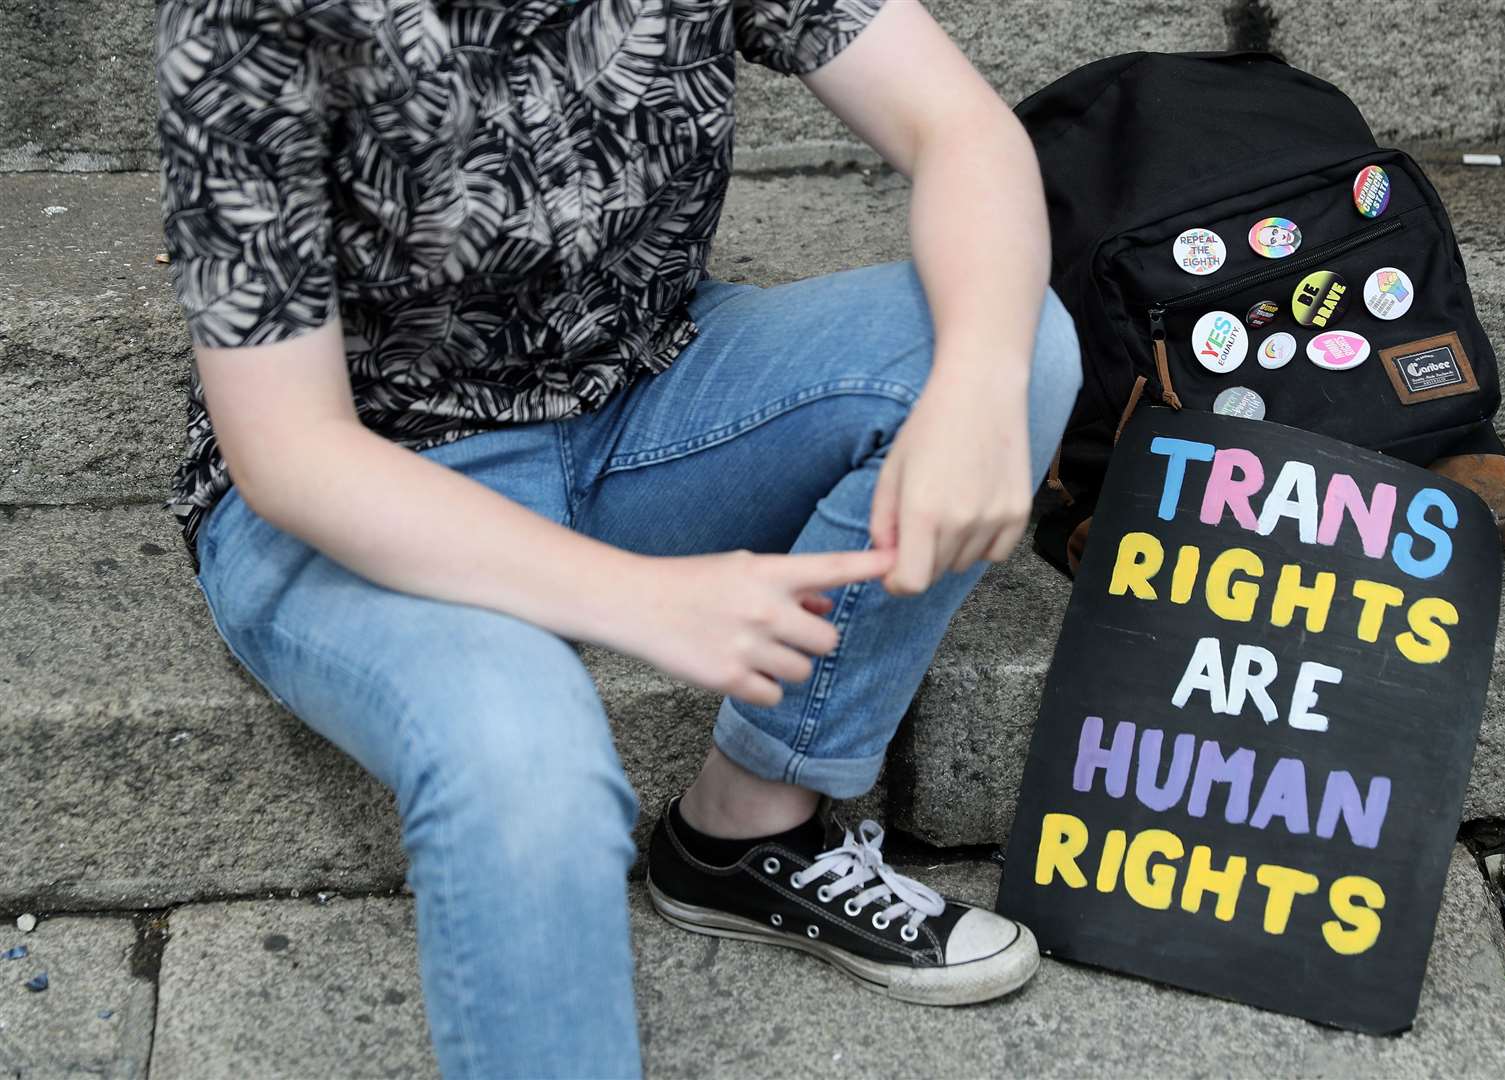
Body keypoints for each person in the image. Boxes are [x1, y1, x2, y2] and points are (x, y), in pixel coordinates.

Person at [155, 0, 1081, 1075]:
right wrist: (634, 598)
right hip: (370, 487)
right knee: (526, 765)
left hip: (638, 401)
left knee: (1012, 342)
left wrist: (975, 383)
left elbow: (958, 127)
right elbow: (289, 453)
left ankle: (743, 829)